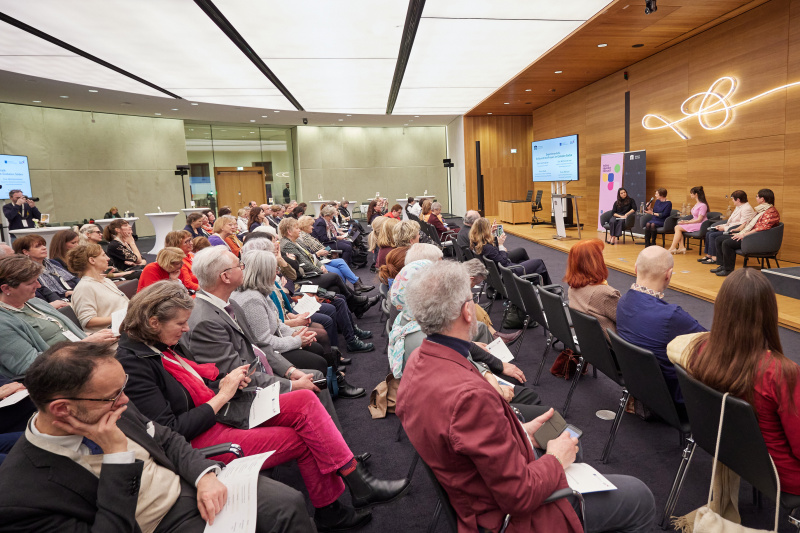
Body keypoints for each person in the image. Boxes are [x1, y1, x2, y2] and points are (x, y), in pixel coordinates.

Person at [117, 282, 407, 530]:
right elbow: (172, 431)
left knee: (306, 398)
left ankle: (352, 482)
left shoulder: (161, 343)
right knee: (302, 436)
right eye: (180, 324)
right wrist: (222, 394)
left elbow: (198, 385)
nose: (185, 329)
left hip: (219, 412)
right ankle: (339, 501)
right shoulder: (135, 363)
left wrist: (226, 384)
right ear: (154, 322)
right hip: (201, 435)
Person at [396, 261, 655, 533]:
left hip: (474, 494)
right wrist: (554, 460)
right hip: (507, 519)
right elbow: (518, 496)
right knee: (639, 496)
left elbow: (460, 441)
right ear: (467, 312)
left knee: (565, 444)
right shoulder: (469, 397)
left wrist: (517, 431)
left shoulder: (416, 363)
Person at [0, 340, 315, 532]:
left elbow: (167, 439)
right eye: (114, 395)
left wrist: (204, 476)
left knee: (288, 502)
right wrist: (117, 458)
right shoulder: (20, 497)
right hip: (155, 525)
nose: (125, 401)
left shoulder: (106, 404)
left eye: (122, 388)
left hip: (188, 486)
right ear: (61, 410)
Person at [666, 268, 800, 496]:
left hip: (733, 452)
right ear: (769, 312)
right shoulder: (779, 372)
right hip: (781, 474)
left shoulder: (700, 350)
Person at [231, 250, 366, 397]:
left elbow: (277, 324)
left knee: (316, 344)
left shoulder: (259, 292)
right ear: (263, 272)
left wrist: (296, 333)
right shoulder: (252, 300)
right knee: (318, 361)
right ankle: (331, 389)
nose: (277, 273)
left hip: (276, 344)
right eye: (274, 269)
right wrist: (296, 340)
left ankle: (335, 383)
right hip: (268, 354)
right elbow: (265, 342)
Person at [241, 236, 373, 355]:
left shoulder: (276, 260)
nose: (277, 243)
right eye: (274, 242)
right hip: (292, 303)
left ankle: (351, 336)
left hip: (291, 303)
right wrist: (292, 316)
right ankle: (339, 350)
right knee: (333, 295)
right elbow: (290, 285)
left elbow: (293, 275)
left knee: (337, 296)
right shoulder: (264, 272)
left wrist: (281, 260)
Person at [0, 256, 116, 378]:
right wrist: (83, 344)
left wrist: (93, 337)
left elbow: (64, 331)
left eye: (37, 280)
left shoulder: (35, 302)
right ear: (6, 288)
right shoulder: (3, 323)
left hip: (81, 356)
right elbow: (28, 365)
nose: (39, 286)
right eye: (31, 283)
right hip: (58, 374)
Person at [616, 246, 705, 403]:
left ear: (635, 269)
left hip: (642, 389)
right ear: (668, 274)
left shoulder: (623, 301)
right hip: (676, 400)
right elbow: (714, 344)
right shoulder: (671, 316)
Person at [279, 218, 378, 317]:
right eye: (296, 228)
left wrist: (321, 265)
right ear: (289, 231)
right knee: (334, 276)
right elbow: (305, 264)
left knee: (335, 288)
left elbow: (310, 257)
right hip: (305, 278)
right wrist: (321, 271)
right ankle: (355, 299)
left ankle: (357, 308)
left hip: (313, 271)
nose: (299, 230)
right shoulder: (287, 244)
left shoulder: (296, 241)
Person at [711, 188, 780, 277]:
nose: (756, 198)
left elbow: (761, 229)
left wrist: (743, 235)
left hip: (758, 239)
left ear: (762, 199)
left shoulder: (771, 212)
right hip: (752, 236)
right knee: (719, 239)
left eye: (757, 196)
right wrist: (738, 230)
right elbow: (748, 223)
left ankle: (728, 270)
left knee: (727, 243)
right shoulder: (761, 210)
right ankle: (723, 265)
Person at [298, 215, 373, 293]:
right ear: (304, 226)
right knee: (341, 261)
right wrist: (331, 249)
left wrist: (329, 251)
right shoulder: (305, 236)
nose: (313, 227)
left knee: (341, 259)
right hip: (320, 256)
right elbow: (322, 243)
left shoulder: (309, 234)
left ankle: (356, 285)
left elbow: (320, 247)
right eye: (311, 225)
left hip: (323, 252)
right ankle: (348, 291)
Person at [67, 244, 129, 333]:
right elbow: (87, 321)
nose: (108, 258)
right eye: (103, 255)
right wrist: (120, 318)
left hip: (125, 327)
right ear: (92, 260)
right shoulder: (84, 287)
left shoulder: (106, 280)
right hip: (113, 334)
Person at [470, 217, 551, 285]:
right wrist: (501, 245)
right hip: (509, 271)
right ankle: (549, 290)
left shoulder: (477, 242)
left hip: (499, 272)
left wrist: (492, 233)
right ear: (485, 230)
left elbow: (492, 249)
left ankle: (531, 282)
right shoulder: (488, 248)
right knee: (539, 262)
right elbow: (503, 262)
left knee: (523, 258)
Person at [565, 239, 619, 337]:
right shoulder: (605, 294)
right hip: (616, 348)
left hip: (590, 343)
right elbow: (630, 322)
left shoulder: (572, 288)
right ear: (594, 262)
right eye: (601, 255)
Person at [13, 234, 78, 302]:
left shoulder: (53, 262)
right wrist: (64, 294)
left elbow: (74, 279)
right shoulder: (27, 271)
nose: (44, 248)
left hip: (74, 294)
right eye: (38, 246)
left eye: (43, 245)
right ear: (25, 252)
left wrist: (78, 291)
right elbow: (42, 293)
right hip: (59, 301)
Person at [699, 190, 755, 265]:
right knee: (709, 233)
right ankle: (709, 255)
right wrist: (722, 226)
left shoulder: (746, 208)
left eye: (733, 198)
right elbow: (731, 222)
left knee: (713, 235)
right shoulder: (738, 207)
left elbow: (742, 225)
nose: (732, 200)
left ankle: (715, 257)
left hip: (735, 231)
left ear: (738, 199)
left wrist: (724, 228)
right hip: (730, 228)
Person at [667, 186, 709, 254]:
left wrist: (687, 222)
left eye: (692, 193)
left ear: (696, 194)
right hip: (695, 222)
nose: (690, 195)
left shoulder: (703, 205)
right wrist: (685, 221)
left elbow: (699, 219)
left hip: (700, 224)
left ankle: (673, 247)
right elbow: (694, 217)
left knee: (677, 227)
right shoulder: (696, 204)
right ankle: (681, 247)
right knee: (678, 226)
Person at [378, 219, 420, 285]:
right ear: (411, 240)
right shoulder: (412, 257)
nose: (420, 236)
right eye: (418, 235)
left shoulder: (393, 253)